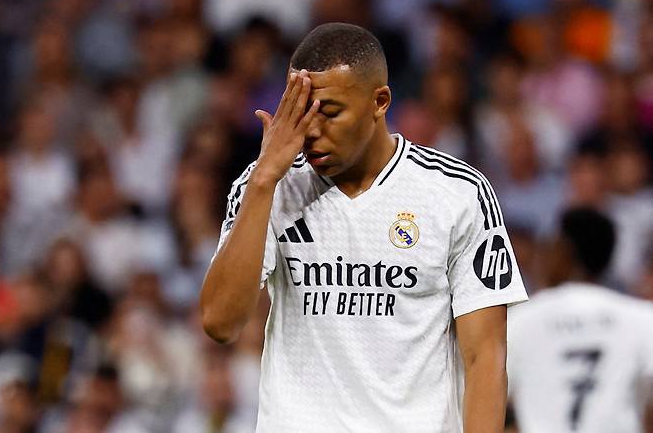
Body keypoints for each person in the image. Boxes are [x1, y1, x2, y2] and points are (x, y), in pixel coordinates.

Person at [200, 23, 528, 432]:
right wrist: (265, 180)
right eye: (301, 113)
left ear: (380, 101)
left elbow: (486, 357)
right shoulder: (269, 186)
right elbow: (220, 322)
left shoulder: (457, 194)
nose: (312, 131)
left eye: (330, 113)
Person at [507, 207, 653, 433]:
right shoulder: (642, 318)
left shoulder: (521, 320)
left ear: (564, 251)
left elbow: (490, 397)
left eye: (550, 248)